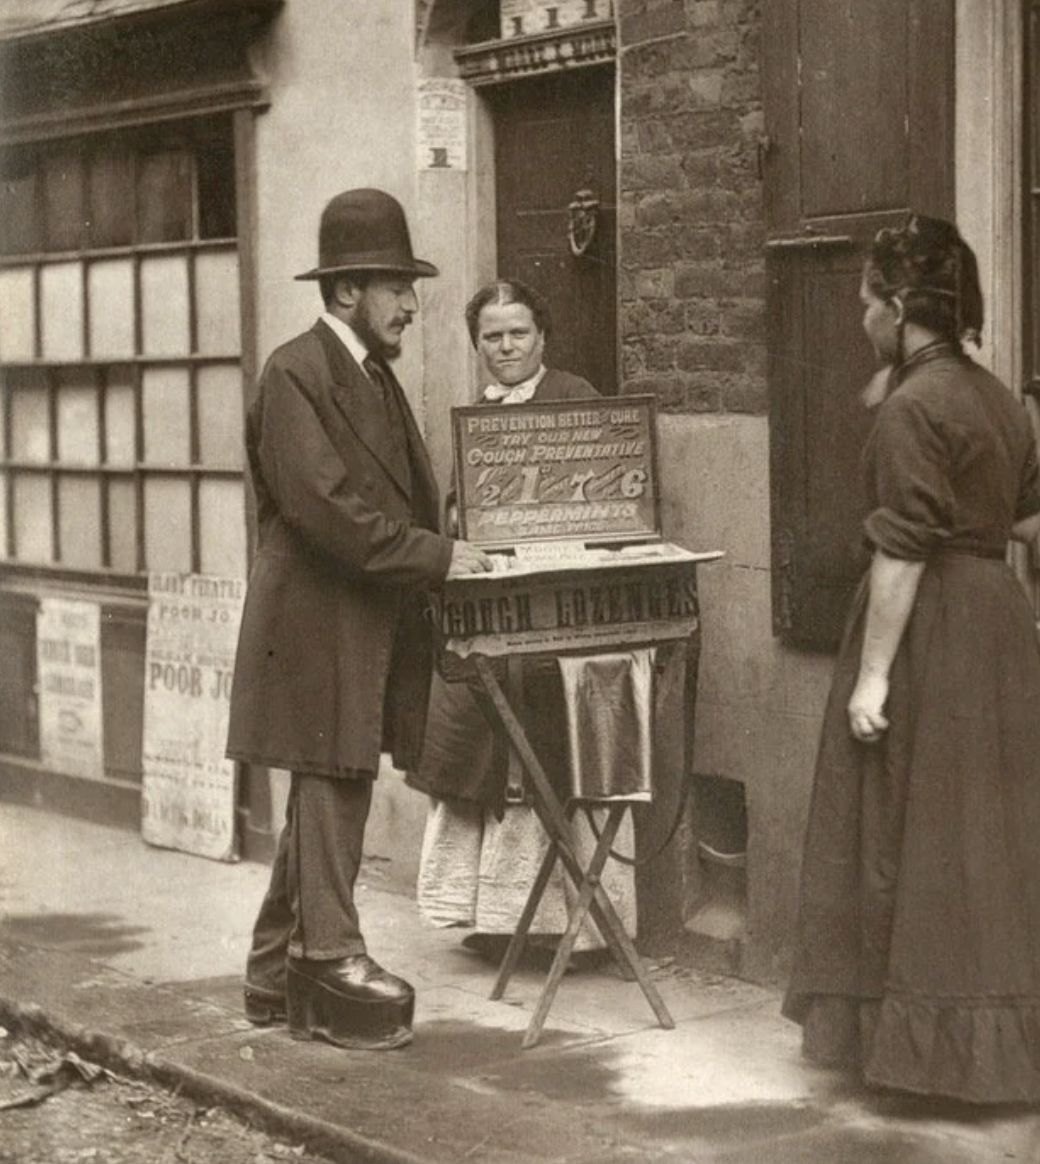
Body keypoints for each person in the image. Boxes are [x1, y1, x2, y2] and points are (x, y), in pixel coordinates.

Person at [226, 188, 493, 1052]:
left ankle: (274, 976)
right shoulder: (295, 370)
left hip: (357, 614)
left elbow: (396, 495)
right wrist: (439, 557)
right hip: (314, 616)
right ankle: (327, 955)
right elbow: (326, 510)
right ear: (347, 292)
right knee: (332, 779)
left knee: (329, 782)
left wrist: (446, 549)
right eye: (396, 286)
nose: (413, 305)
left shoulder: (370, 375)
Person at [782, 214, 1040, 1103]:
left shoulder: (910, 405)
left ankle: (923, 1054)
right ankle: (999, 1047)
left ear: (899, 308)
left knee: (908, 827)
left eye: (866, 304)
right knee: (987, 837)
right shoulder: (1000, 396)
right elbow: (1028, 520)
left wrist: (874, 676)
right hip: (999, 626)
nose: (861, 320)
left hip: (928, 629)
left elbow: (901, 552)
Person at [408, 278, 637, 956]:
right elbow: (460, 509)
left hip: (563, 610)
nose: (506, 348)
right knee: (482, 742)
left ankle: (575, 927)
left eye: (519, 334)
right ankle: (500, 922)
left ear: (544, 338)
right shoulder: (477, 415)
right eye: (492, 337)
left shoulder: (576, 400)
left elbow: (615, 492)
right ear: (476, 344)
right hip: (497, 607)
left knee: (558, 750)